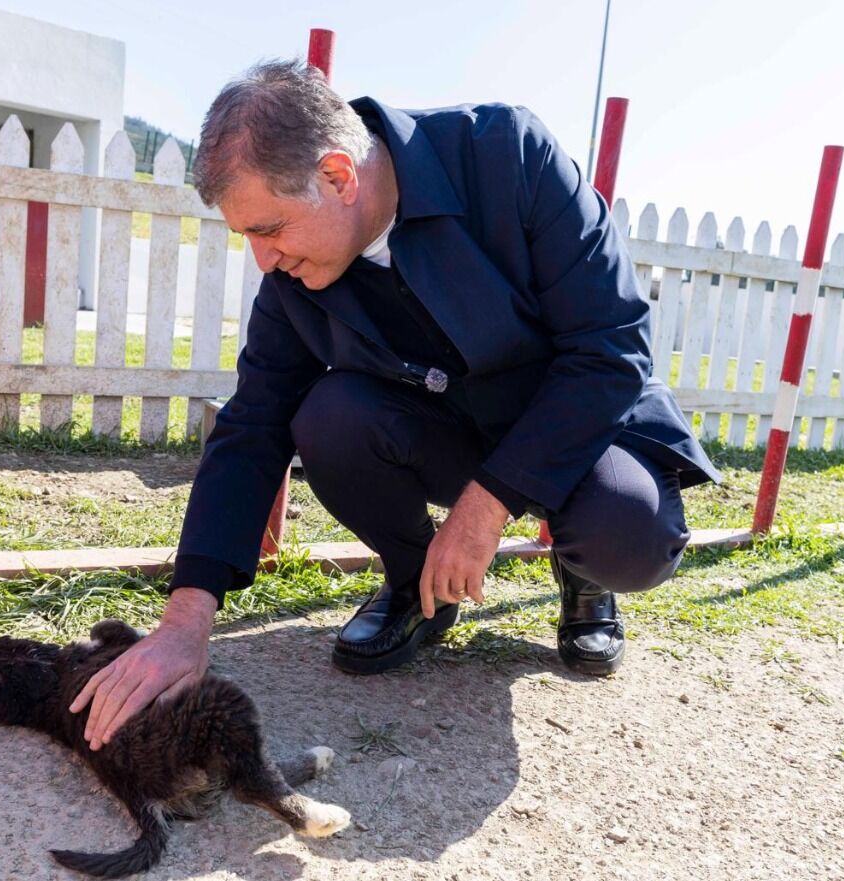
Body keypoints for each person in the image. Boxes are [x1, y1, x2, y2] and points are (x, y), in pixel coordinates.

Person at [69, 59, 720, 751]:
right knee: (327, 414)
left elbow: (609, 348)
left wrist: (485, 507)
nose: (262, 261)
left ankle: (582, 578)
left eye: (268, 229)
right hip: (445, 433)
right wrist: (184, 624)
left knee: (627, 533)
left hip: (580, 435)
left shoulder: (506, 155)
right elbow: (252, 424)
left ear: (337, 177)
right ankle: (415, 584)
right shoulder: (294, 274)